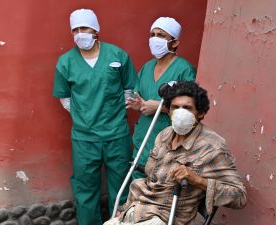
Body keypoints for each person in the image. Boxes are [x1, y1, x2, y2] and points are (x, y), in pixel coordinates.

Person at [104, 81, 247, 225]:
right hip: (138, 209)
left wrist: (197, 180)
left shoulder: (211, 147)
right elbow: (151, 179)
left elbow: (240, 197)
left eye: (187, 108)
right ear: (169, 111)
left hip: (165, 218)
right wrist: (124, 210)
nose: (180, 112)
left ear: (201, 113)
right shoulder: (164, 135)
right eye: (175, 107)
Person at [52, 9, 138, 225]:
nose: (80, 34)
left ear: (96, 30)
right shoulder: (66, 62)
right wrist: (85, 116)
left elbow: (129, 89)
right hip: (84, 138)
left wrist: (113, 114)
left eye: (85, 28)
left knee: (122, 188)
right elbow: (65, 98)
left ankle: (121, 222)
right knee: (85, 190)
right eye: (76, 30)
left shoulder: (117, 56)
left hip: (117, 134)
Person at [126, 17, 196, 179]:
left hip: (168, 141)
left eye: (161, 35)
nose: (155, 39)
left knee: (160, 189)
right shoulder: (147, 67)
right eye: (152, 34)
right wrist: (140, 104)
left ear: (174, 42)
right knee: (137, 185)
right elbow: (142, 95)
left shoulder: (184, 70)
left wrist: (160, 107)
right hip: (144, 138)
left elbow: (190, 109)